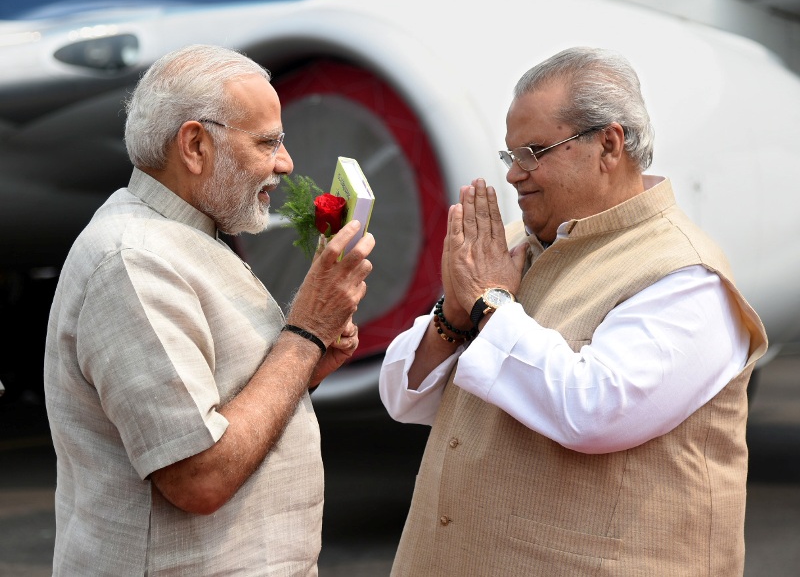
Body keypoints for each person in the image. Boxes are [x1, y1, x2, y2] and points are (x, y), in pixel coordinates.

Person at [379, 46, 767, 576]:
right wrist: (457, 313)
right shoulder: (515, 246)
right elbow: (403, 398)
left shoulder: (686, 274)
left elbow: (595, 412)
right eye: (510, 155)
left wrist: (490, 303)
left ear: (609, 144)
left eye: (534, 152)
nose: (515, 175)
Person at [44, 44, 374, 576]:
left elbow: (217, 397)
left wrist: (306, 365)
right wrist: (305, 332)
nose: (285, 165)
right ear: (195, 145)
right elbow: (199, 477)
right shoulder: (134, 260)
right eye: (268, 142)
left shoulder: (180, 233)